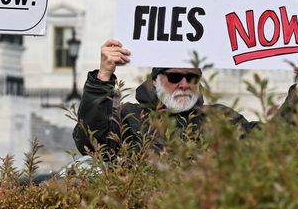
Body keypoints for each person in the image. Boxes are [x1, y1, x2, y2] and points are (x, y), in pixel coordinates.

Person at [74, 38, 263, 156]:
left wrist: (294, 97)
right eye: (174, 77)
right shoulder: (130, 117)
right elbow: (90, 143)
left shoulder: (220, 118)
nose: (184, 84)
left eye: (192, 77)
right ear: (155, 80)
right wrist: (103, 77)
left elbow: (274, 139)